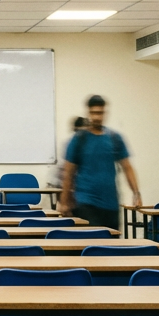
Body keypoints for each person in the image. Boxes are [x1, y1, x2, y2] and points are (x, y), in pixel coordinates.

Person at [58, 95, 141, 231]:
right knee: (93, 240)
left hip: (111, 204)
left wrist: (136, 193)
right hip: (86, 203)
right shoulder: (79, 140)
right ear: (88, 113)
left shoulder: (115, 139)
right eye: (93, 113)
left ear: (105, 113)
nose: (97, 117)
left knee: (111, 242)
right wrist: (64, 202)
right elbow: (68, 173)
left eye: (100, 113)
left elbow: (127, 167)